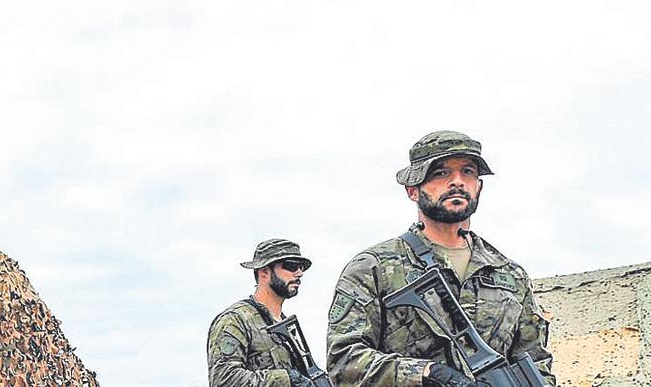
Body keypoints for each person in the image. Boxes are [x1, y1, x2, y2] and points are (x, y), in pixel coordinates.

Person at [325, 131, 554, 386]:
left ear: (479, 186)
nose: (457, 182)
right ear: (413, 190)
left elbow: (536, 364)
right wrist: (426, 374)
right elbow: (343, 362)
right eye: (441, 173)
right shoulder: (373, 268)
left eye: (467, 172)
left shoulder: (510, 275)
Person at [207, 238, 316, 387]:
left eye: (301, 267)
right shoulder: (235, 320)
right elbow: (225, 379)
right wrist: (288, 379)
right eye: (291, 266)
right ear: (264, 272)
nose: (299, 273)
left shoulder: (286, 327)